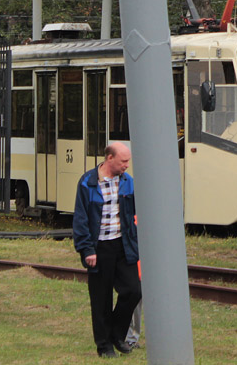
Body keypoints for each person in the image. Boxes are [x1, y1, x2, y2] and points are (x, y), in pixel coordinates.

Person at [73, 142, 142, 358]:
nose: (127, 165)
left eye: (128, 161)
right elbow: (81, 219)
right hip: (99, 248)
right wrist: (87, 250)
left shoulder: (128, 183)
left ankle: (116, 334)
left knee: (133, 291)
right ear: (109, 158)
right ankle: (104, 346)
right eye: (123, 161)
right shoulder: (87, 183)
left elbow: (136, 214)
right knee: (101, 300)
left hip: (123, 246)